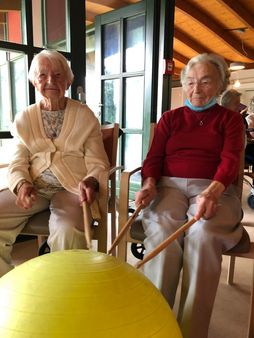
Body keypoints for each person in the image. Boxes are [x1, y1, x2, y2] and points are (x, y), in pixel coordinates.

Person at [135, 53, 244, 338]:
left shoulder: (230, 121)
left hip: (214, 187)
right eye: (191, 82)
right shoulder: (170, 119)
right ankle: (156, 324)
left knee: (203, 233)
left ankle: (192, 331)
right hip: (169, 186)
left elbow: (231, 160)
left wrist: (213, 191)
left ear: (220, 85)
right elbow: (154, 158)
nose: (196, 89)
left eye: (205, 82)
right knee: (162, 230)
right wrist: (148, 183)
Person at [0, 49, 109, 277]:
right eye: (43, 75)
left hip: (72, 188)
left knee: (66, 229)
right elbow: (17, 160)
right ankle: (7, 285)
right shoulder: (24, 119)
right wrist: (21, 184)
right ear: (33, 81)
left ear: (68, 81)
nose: (51, 81)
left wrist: (91, 181)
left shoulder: (85, 116)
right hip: (35, 188)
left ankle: (63, 289)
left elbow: (97, 163)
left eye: (58, 75)